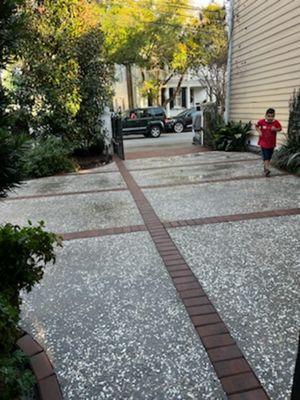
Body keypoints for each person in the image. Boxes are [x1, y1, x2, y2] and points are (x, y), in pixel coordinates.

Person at [255, 108, 282, 177]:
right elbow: (256, 126)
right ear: (266, 115)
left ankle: (265, 167)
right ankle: (267, 169)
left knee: (269, 156)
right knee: (266, 156)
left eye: (272, 116)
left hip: (271, 143)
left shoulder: (275, 122)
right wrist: (259, 131)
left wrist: (275, 129)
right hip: (263, 143)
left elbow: (280, 128)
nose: (270, 118)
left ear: (274, 116)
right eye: (269, 116)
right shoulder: (262, 121)